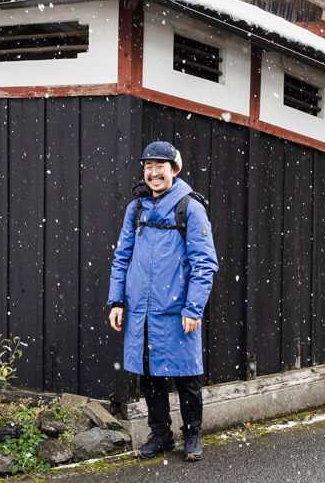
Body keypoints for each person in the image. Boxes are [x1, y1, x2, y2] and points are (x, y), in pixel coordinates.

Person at [108, 141, 218, 461]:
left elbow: (204, 263)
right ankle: (160, 435)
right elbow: (122, 257)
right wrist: (117, 301)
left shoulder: (190, 207)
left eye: (160, 167)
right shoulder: (136, 208)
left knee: (186, 377)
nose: (154, 173)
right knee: (150, 376)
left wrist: (193, 308)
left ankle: (193, 435)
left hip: (177, 311)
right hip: (141, 311)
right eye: (148, 167)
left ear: (175, 170)